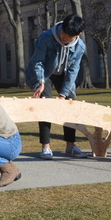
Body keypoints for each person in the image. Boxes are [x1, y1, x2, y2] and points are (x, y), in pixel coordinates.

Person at [25, 14, 88, 160]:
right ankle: (46, 146)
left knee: (69, 103)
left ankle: (70, 146)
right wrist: (40, 82)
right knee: (45, 102)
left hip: (64, 73)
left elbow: (73, 71)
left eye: (68, 37)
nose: (63, 37)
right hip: (44, 71)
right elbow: (37, 61)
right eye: (63, 33)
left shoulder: (80, 47)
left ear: (77, 35)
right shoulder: (46, 37)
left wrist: (63, 94)